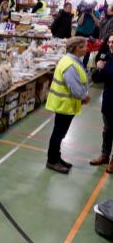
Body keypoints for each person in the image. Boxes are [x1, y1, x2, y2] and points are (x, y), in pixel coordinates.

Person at [45, 37, 90, 173]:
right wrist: (84, 96)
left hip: (66, 104)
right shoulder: (70, 64)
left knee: (60, 133)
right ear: (77, 48)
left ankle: (56, 158)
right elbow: (75, 87)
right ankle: (52, 161)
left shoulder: (72, 60)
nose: (86, 49)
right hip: (64, 105)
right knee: (58, 133)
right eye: (84, 47)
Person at [90, 34, 113, 173]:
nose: (111, 44)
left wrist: (104, 71)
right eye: (110, 42)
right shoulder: (107, 58)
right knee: (107, 130)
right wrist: (98, 68)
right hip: (108, 100)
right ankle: (105, 155)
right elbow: (97, 79)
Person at [76, 1, 100, 67]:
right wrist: (83, 13)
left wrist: (92, 14)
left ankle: (84, 66)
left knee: (87, 52)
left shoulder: (96, 13)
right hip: (79, 33)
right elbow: (80, 23)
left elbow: (98, 24)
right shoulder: (82, 12)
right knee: (76, 50)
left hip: (89, 34)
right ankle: (75, 64)